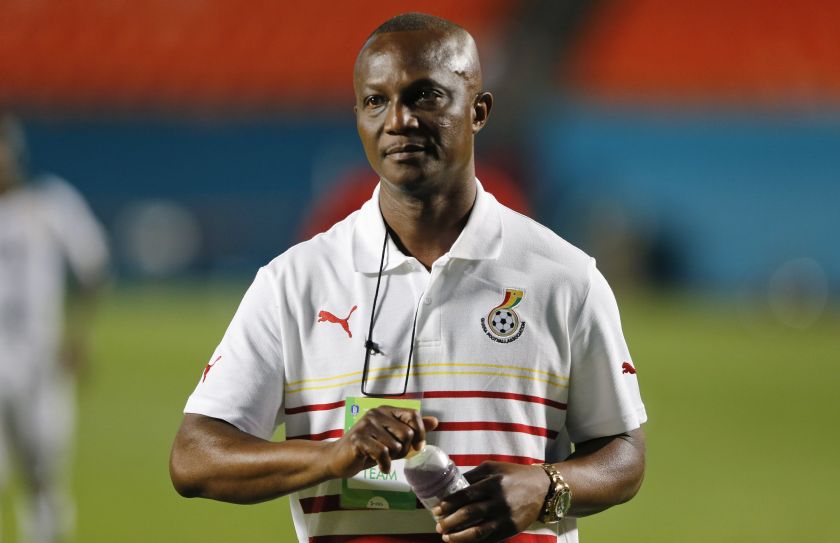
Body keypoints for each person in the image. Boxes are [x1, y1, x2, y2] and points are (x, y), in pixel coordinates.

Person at [170, 12, 646, 543]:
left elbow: (623, 454)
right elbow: (195, 458)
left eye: (426, 97)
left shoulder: (565, 277)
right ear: (358, 117)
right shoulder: (294, 282)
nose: (399, 120)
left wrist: (548, 484)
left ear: (478, 111)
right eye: (377, 101)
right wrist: (333, 455)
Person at [0, 114, 110, 543]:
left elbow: (93, 266)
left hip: (39, 359)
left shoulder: (49, 204)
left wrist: (79, 336)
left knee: (43, 473)